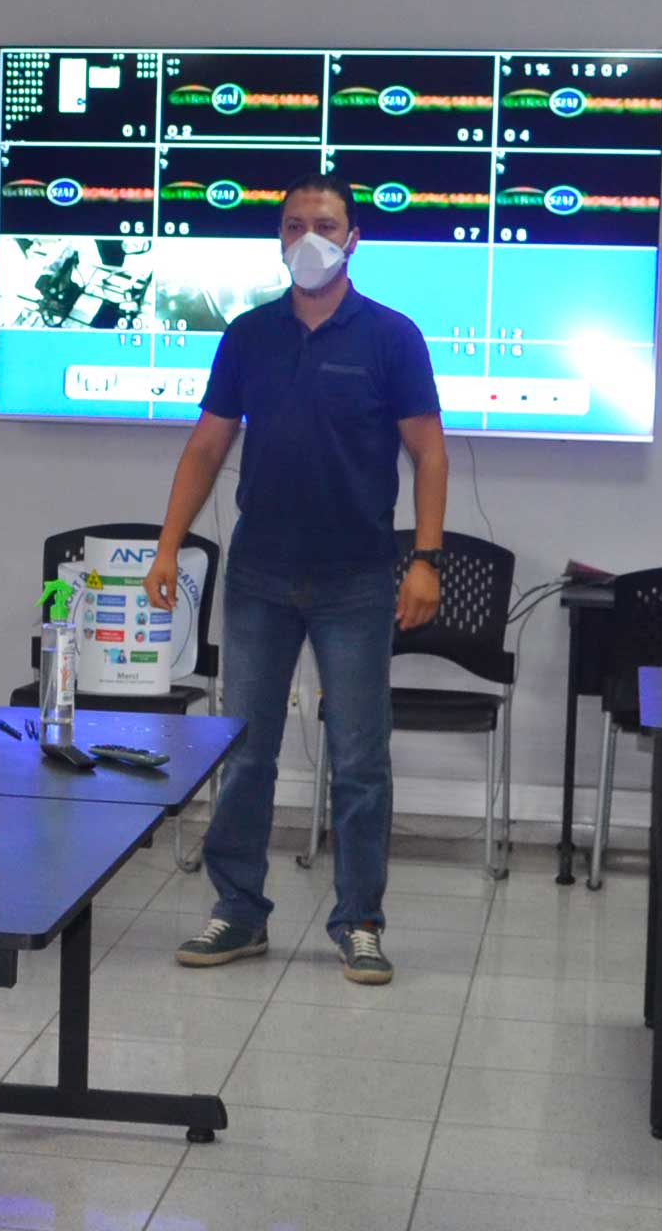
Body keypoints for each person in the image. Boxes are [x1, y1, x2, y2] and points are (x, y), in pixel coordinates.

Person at [147, 176, 448, 986]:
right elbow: (206, 448)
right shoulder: (247, 335)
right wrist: (168, 548)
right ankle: (238, 913)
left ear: (352, 240)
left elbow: (429, 453)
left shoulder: (392, 337)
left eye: (324, 225)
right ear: (277, 238)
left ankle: (360, 922)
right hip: (259, 579)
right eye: (293, 225)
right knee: (243, 754)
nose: (308, 238)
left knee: (358, 760)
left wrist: (425, 560)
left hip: (356, 579)